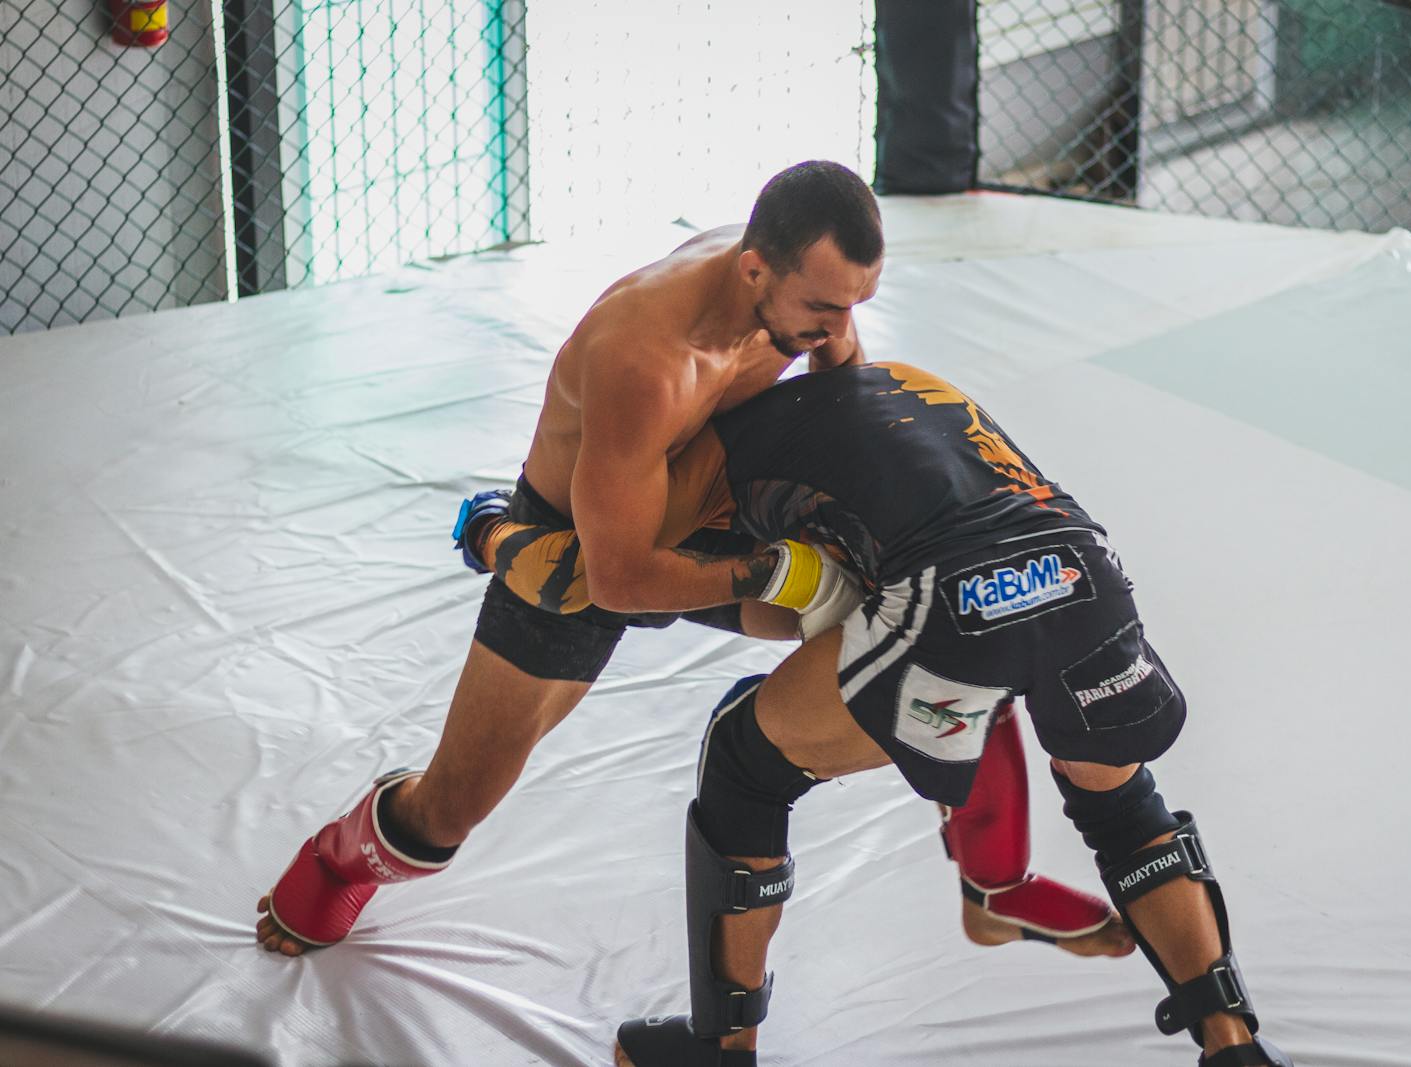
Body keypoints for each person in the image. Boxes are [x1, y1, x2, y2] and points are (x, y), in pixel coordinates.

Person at [254, 162, 1120, 963]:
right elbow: (623, 580)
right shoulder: (645, 357)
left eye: (857, 303)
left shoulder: (795, 293)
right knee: (451, 808)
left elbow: (841, 381)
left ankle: (993, 885)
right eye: (823, 309)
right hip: (594, 548)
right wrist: (780, 572)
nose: (839, 330)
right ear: (753, 272)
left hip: (719, 504)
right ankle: (341, 857)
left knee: (941, 627)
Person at [612, 363, 1294, 1067]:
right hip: (1080, 569)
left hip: (959, 604)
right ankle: (1234, 1044)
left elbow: (625, 575)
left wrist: (501, 540)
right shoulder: (889, 384)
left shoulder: (713, 454)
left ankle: (719, 1051)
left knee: (745, 756)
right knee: (1121, 800)